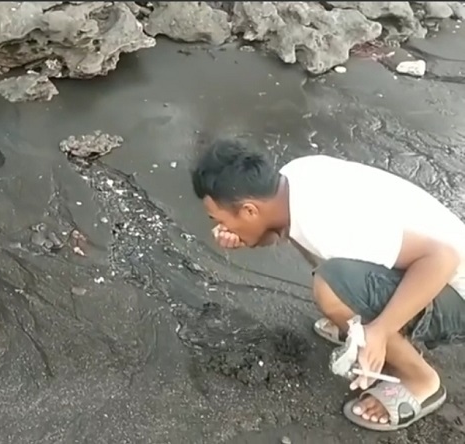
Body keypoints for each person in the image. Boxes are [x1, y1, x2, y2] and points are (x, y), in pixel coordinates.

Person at [190, 139, 465, 431]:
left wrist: (380, 330)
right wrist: (247, 236)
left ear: (249, 210)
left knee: (330, 287)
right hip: (428, 264)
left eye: (219, 219)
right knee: (335, 278)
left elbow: (442, 258)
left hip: (452, 288)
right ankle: (362, 316)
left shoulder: (330, 220)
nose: (220, 227)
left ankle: (420, 379)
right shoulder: (293, 178)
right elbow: (279, 229)